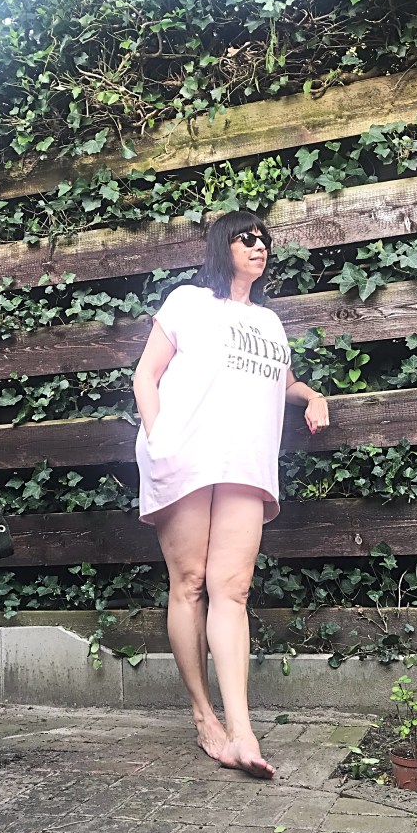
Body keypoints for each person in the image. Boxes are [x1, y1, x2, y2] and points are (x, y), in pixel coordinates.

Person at [133, 210, 330, 777]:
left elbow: (283, 382)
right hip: (185, 456)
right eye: (247, 238)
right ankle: (205, 717)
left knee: (233, 589)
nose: (259, 246)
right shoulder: (188, 302)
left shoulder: (269, 322)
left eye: (264, 240)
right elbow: (145, 375)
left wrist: (313, 396)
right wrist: (159, 438)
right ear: (224, 246)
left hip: (245, 463)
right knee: (190, 583)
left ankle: (242, 732)